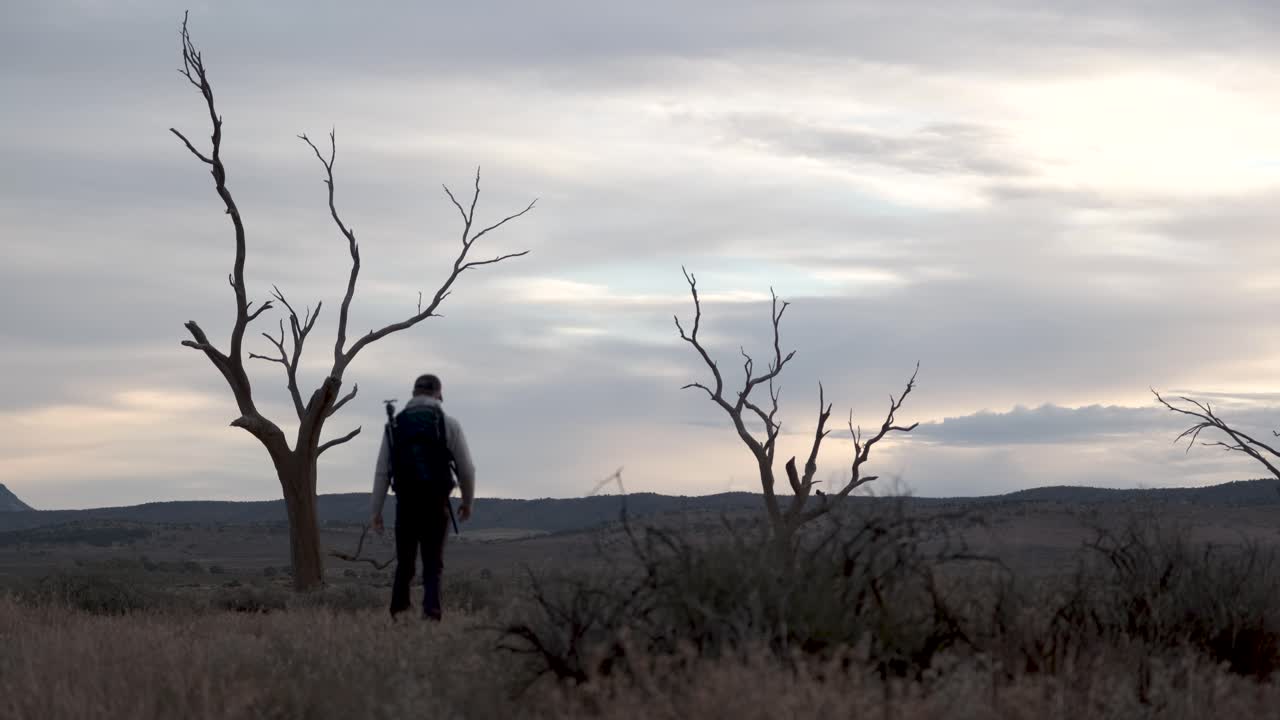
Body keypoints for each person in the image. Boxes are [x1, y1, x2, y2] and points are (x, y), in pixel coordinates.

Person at [370, 373, 475, 620]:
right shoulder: (448, 423)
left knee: (405, 563)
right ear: (439, 393)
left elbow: (382, 472)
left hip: (405, 502)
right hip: (436, 502)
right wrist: (467, 502)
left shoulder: (395, 424)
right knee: (433, 563)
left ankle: (399, 614)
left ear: (414, 393)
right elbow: (466, 469)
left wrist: (375, 511)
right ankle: (431, 614)